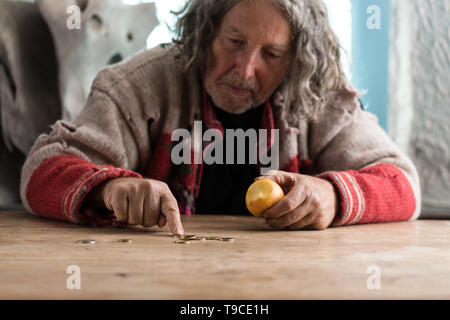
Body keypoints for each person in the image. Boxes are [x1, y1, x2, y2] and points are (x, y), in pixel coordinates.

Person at [20, 0, 421, 236]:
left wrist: (333, 196)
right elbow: (42, 171)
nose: (244, 70)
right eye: (234, 42)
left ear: (296, 61)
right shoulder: (139, 86)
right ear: (204, 31)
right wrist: (108, 189)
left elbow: (402, 185)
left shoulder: (316, 94)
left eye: (272, 55)